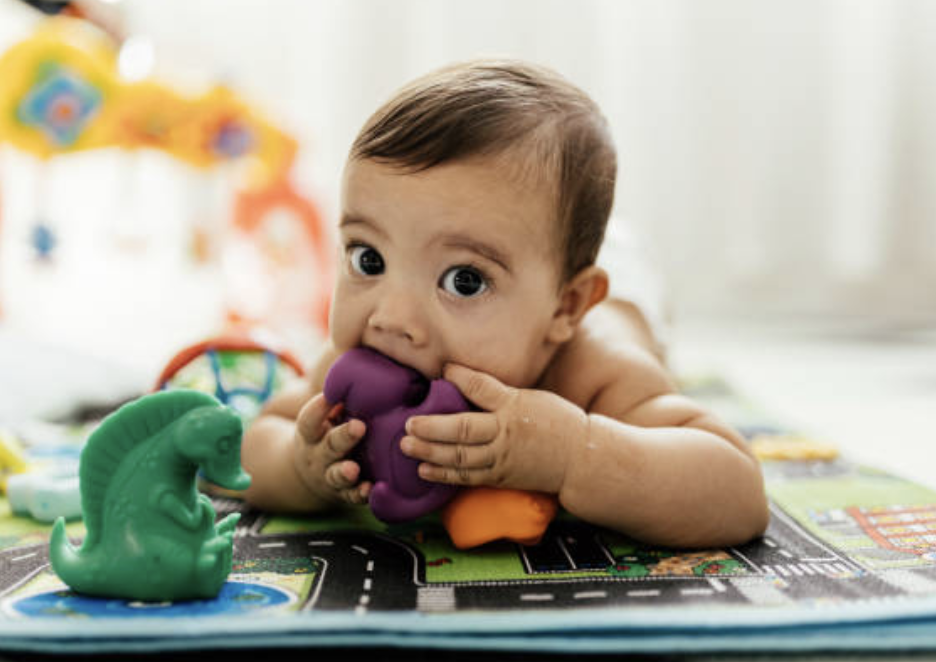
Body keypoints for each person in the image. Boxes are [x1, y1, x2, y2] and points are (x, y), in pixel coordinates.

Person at [238, 58, 768, 549]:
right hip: (549, 268)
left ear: (565, 309)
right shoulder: (357, 363)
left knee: (613, 279)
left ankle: (611, 255)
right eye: (369, 260)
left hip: (627, 292)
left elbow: (736, 491)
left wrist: (574, 453)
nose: (392, 318)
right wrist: (301, 466)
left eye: (464, 280)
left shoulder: (594, 374)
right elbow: (256, 442)